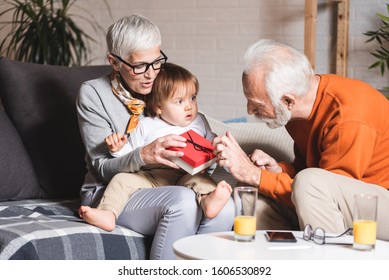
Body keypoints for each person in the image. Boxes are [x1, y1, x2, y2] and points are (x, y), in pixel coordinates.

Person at [76, 15, 234, 260]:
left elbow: (198, 141)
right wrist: (143, 154)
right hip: (115, 187)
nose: (151, 75)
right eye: (139, 66)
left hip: (175, 181)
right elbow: (101, 169)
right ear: (114, 62)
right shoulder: (94, 94)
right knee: (182, 201)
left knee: (226, 208)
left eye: (156, 61)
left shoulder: (165, 84)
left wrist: (213, 156)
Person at [213, 38, 389, 241]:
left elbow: (322, 192)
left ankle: (331, 268)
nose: (250, 111)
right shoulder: (295, 113)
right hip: (344, 200)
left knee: (305, 183)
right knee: (255, 199)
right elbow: (311, 174)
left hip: (376, 203)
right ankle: (285, 265)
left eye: (257, 104)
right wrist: (279, 171)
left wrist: (255, 175)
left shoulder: (348, 116)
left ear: (288, 100)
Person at [79, 62, 232, 232]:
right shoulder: (147, 125)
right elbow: (131, 152)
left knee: (203, 182)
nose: (189, 106)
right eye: (179, 101)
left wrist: (217, 145)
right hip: (152, 176)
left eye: (193, 98)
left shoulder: (200, 121)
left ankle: (207, 202)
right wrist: (118, 149)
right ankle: (107, 213)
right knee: (121, 180)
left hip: (187, 174)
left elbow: (210, 142)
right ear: (159, 107)